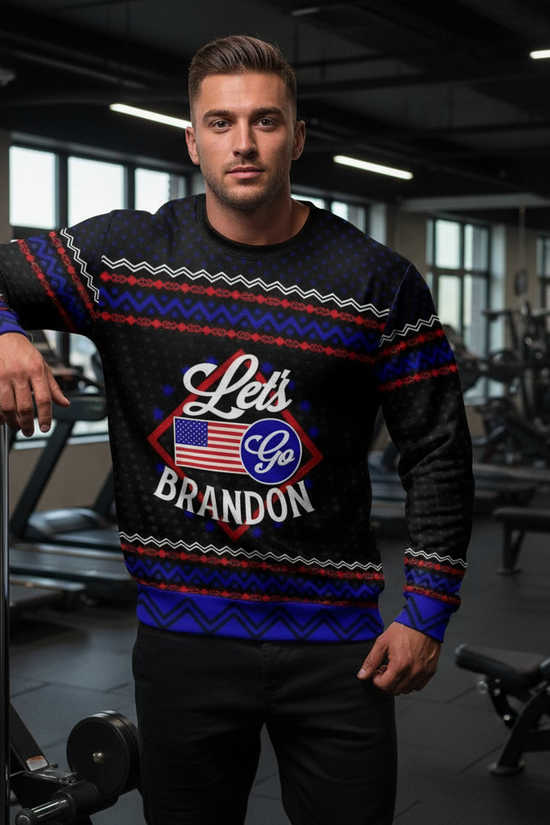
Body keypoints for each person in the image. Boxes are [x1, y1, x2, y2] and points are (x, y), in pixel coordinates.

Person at [0, 35, 474, 825]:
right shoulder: (126, 254)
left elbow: (436, 447)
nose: (243, 143)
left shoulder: (377, 282)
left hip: (340, 650)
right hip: (182, 644)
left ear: (297, 134)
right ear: (192, 139)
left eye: (265, 121)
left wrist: (426, 611)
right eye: (220, 123)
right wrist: (7, 334)